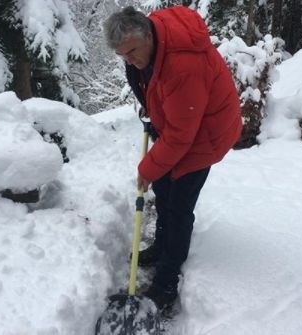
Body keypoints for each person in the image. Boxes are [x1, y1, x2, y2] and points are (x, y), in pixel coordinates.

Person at [104, 5, 242, 310]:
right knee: (164, 188)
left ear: (147, 36)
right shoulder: (150, 42)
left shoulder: (183, 66)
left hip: (206, 134)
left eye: (132, 51)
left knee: (179, 204)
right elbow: (152, 82)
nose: (129, 59)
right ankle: (162, 245)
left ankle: (167, 283)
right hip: (185, 122)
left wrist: (148, 168)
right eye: (122, 55)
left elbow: (182, 136)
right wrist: (151, 106)